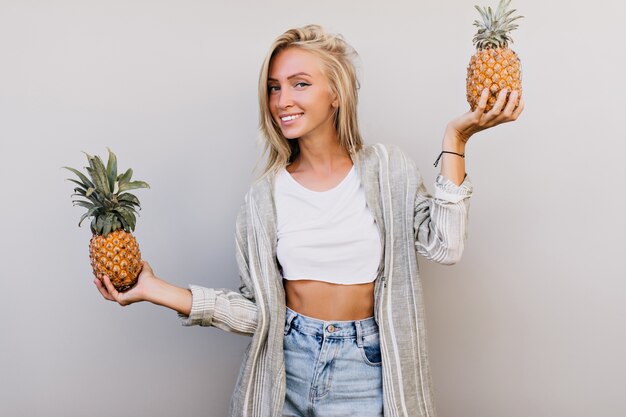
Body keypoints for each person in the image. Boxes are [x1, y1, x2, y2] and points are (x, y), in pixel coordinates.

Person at [94, 24, 523, 417]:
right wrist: (154, 290)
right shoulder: (263, 197)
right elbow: (258, 314)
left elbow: (444, 246)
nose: (282, 100)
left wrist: (456, 138)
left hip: (367, 367)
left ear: (336, 93)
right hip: (283, 372)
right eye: (274, 87)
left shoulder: (388, 169)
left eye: (300, 84)